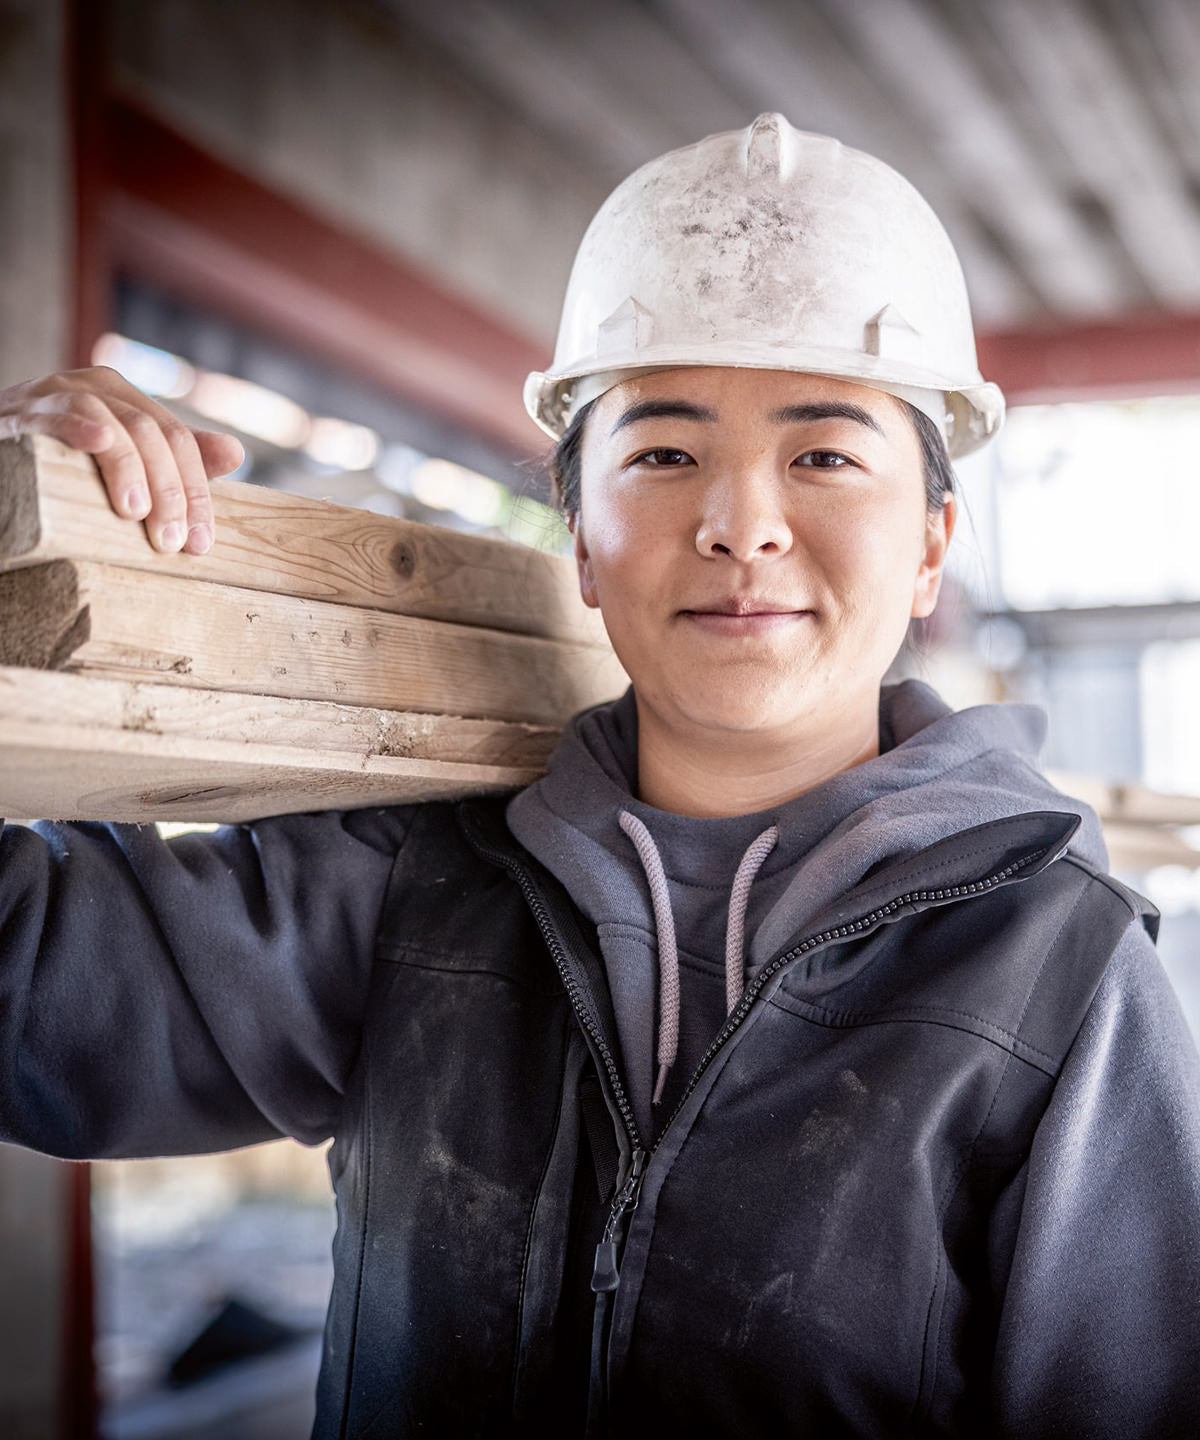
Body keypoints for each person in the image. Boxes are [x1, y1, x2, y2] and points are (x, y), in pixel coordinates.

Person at [1, 113, 1198, 1438]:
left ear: (930, 545)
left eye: (825, 454)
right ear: (580, 540)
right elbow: (33, 1010)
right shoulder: (419, 879)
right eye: (664, 453)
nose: (741, 522)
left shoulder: (1060, 974)